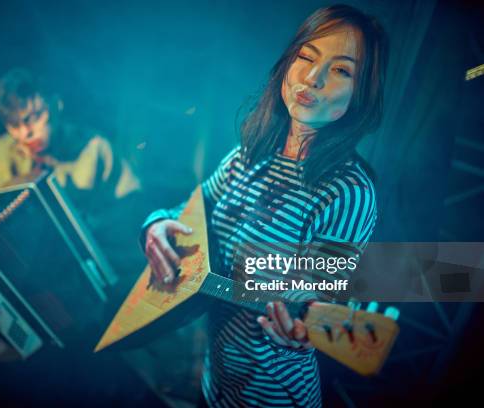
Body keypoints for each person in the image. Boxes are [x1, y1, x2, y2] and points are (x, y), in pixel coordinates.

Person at [141, 5, 388, 407]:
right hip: (215, 381)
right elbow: (190, 209)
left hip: (272, 397)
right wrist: (154, 226)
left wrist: (302, 335)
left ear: (361, 93)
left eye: (341, 70)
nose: (313, 77)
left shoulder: (347, 192)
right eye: (306, 57)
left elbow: (319, 300)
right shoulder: (250, 153)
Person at [0, 68, 141, 361]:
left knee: (28, 355)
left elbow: (129, 216)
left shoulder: (95, 149)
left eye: (34, 117)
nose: (26, 132)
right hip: (8, 275)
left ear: (56, 105)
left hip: (67, 280)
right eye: (14, 124)